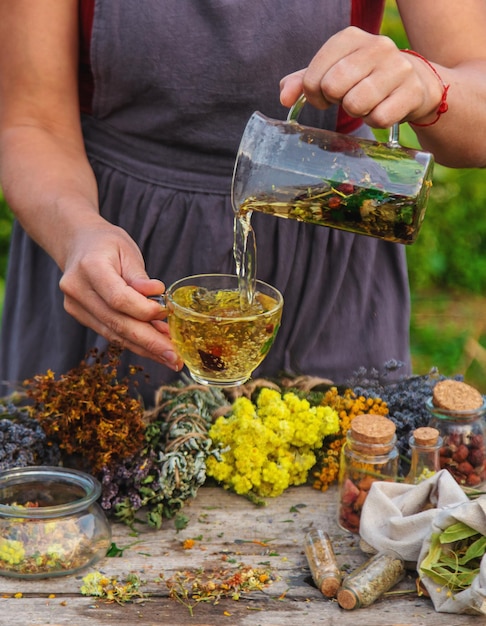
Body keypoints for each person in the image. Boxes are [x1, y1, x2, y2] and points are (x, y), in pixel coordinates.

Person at [0, 1, 486, 407]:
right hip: (113, 254)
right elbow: (31, 122)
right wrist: (79, 233)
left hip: (325, 249)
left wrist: (429, 85)